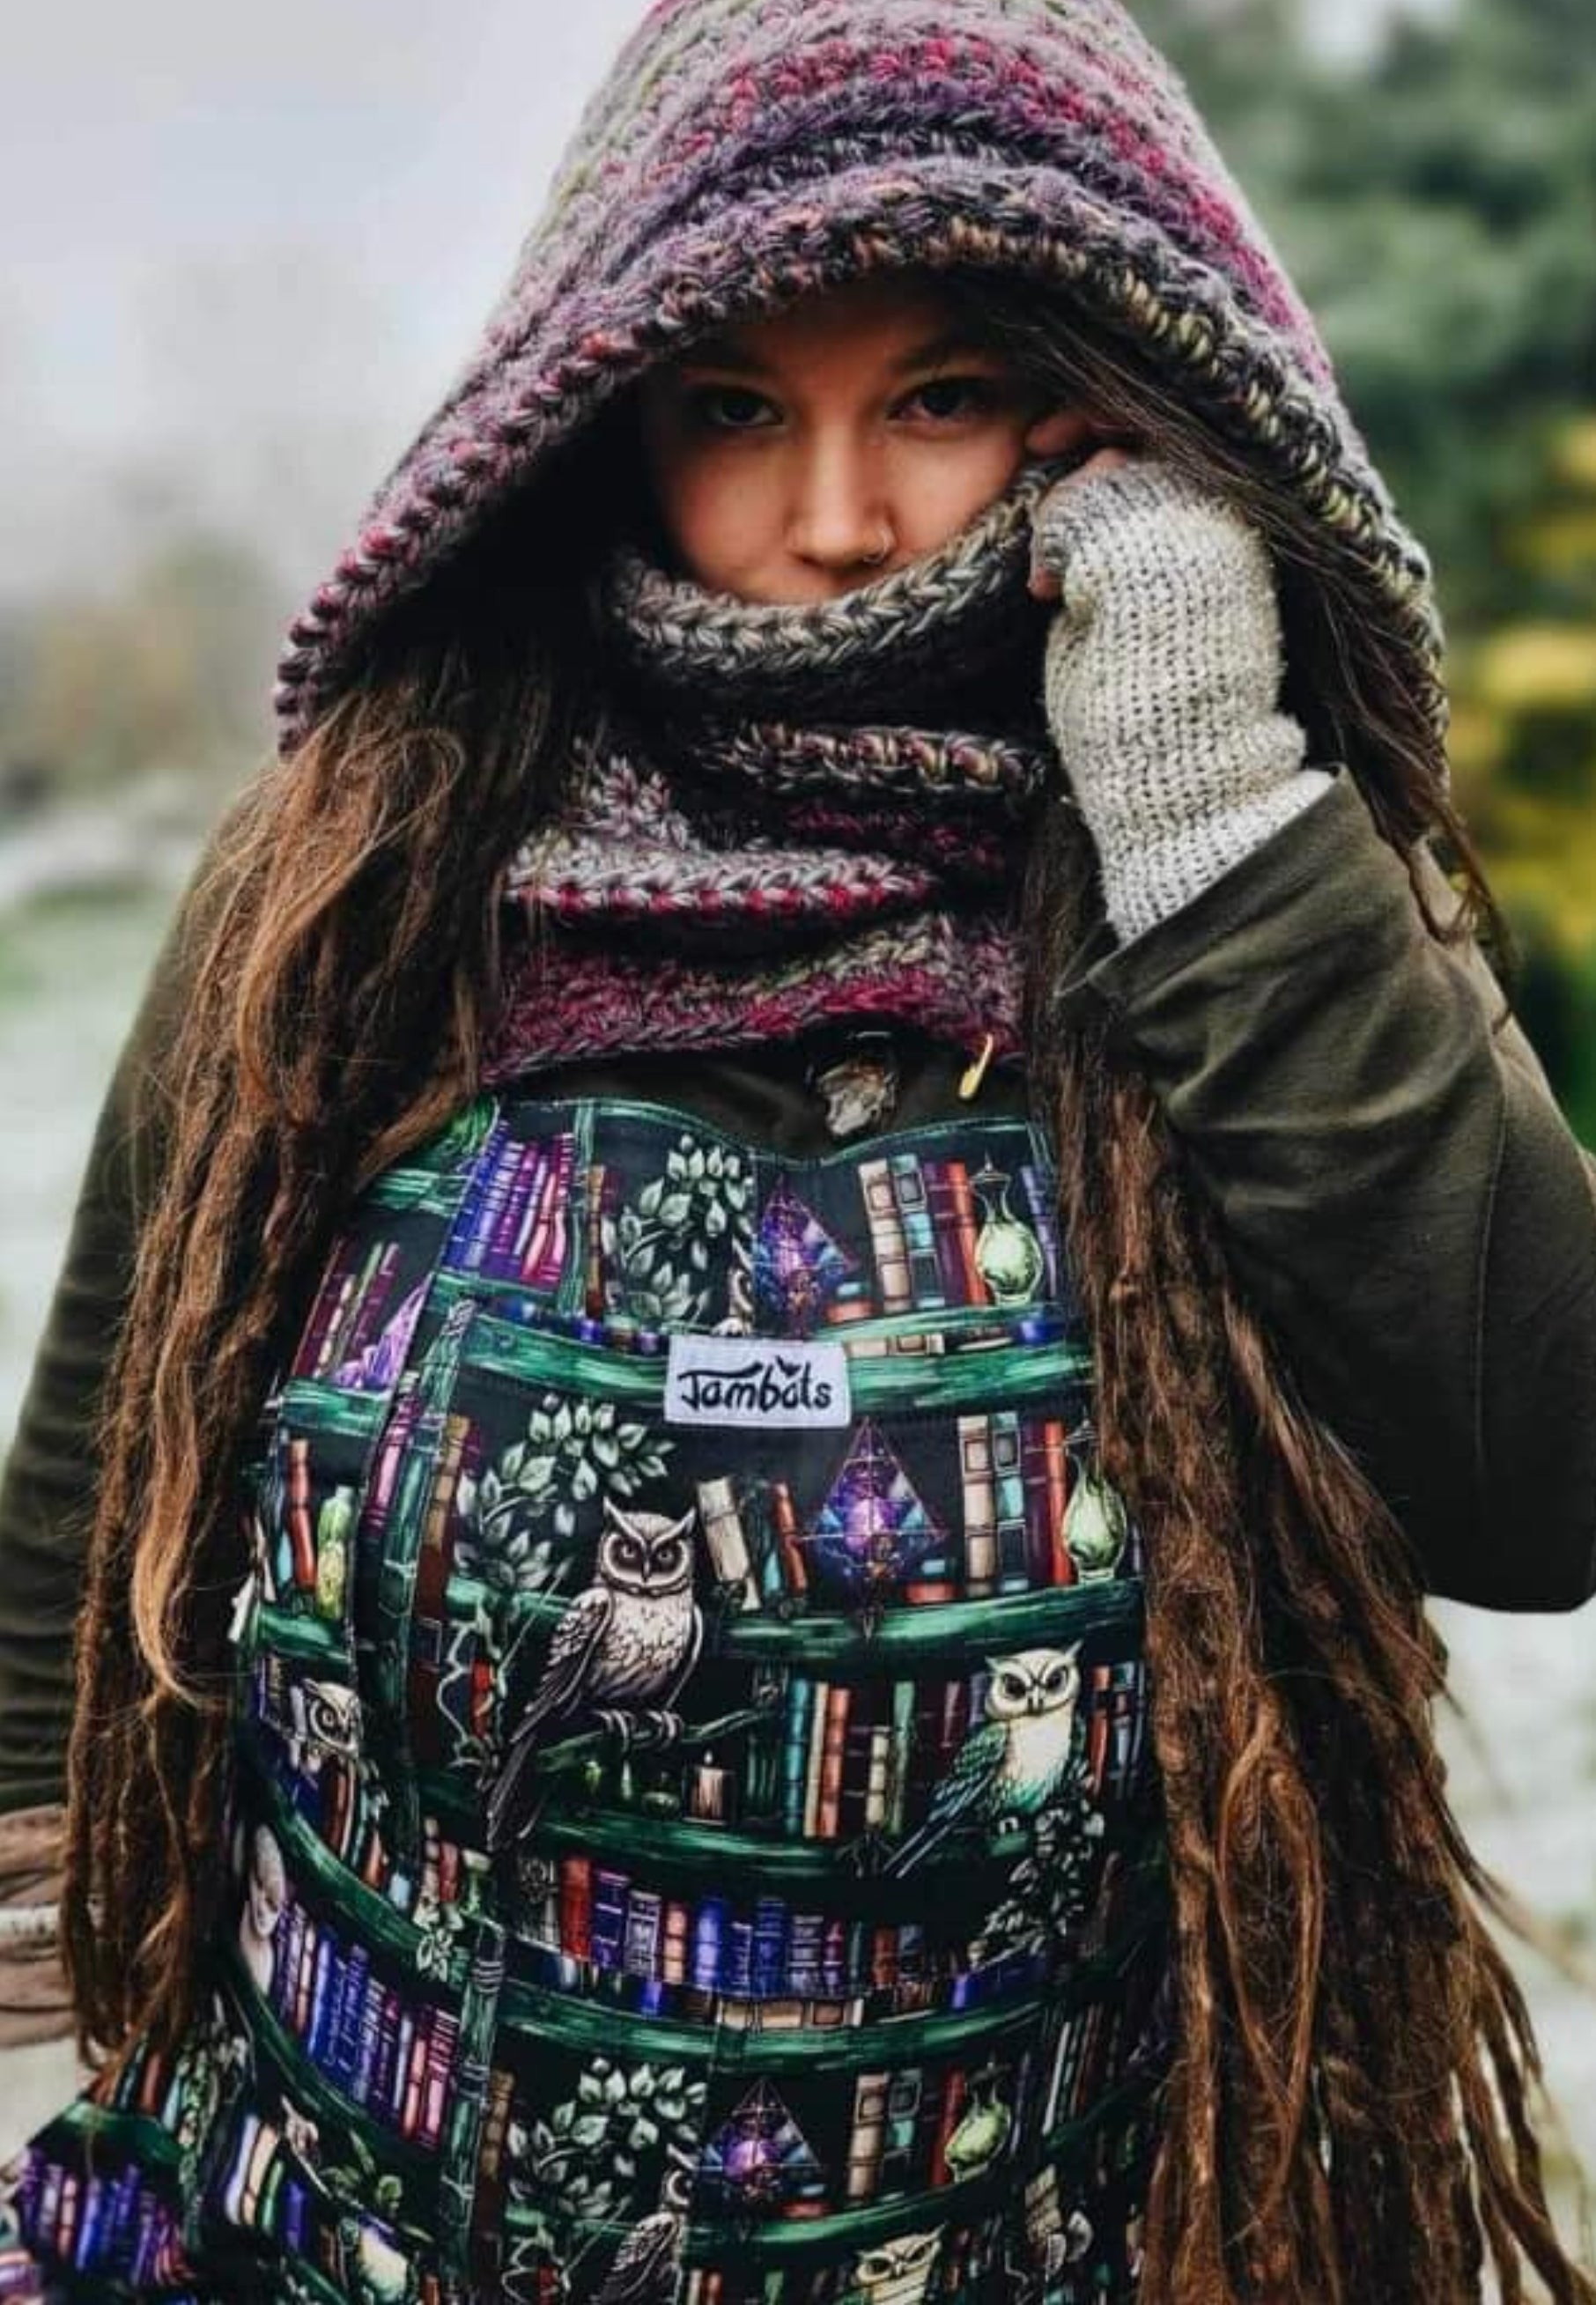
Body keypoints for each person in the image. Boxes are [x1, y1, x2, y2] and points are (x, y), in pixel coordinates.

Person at [1, 2, 1593, 2300]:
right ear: (599, 414)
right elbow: (83, 1505)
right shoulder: (357, 879)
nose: (829, 521)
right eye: (735, 406)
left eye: (936, 398)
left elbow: (1534, 1473)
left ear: (1111, 396)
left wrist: (1214, 819)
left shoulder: (1243, 900)